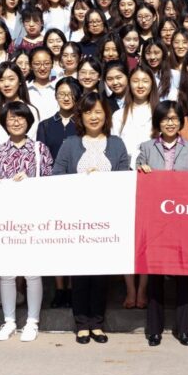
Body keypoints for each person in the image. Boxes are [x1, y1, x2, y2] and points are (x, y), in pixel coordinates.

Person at [52, 92, 130, 344]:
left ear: (106, 115)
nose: (93, 116)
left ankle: (97, 322)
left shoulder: (117, 143)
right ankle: (81, 323)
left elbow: (123, 178)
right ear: (81, 116)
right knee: (80, 273)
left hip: (107, 218)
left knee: (101, 274)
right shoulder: (70, 144)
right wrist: (82, 181)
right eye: (88, 112)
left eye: (98, 112)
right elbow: (57, 176)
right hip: (77, 218)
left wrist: (103, 180)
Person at [135, 101, 188, 346]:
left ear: (180, 121)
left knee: (183, 276)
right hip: (155, 221)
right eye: (165, 119)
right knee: (155, 276)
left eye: (174, 118)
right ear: (158, 123)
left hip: (182, 220)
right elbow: (137, 176)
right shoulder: (146, 147)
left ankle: (184, 329)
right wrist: (140, 168)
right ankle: (154, 329)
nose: (170, 122)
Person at [0, 101, 54, 343]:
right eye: (11, 118)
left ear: (28, 121)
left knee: (31, 272)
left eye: (20, 117)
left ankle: (32, 321)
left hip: (33, 218)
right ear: (4, 122)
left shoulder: (40, 149)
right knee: (6, 273)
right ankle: (9, 322)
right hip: (6, 219)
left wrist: (30, 181)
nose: (16, 122)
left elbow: (50, 181)